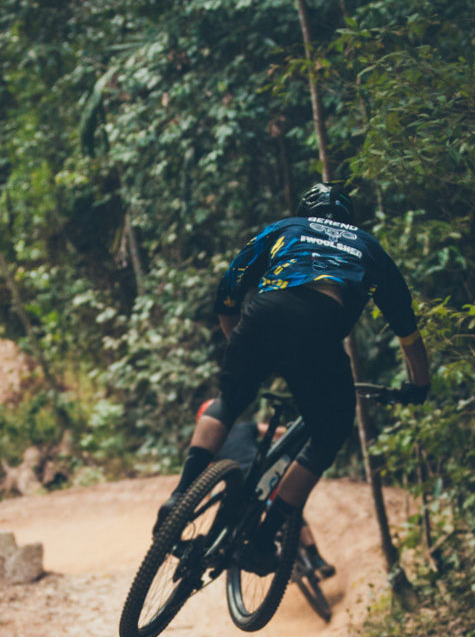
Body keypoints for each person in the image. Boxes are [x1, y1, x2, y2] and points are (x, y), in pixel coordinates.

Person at [160, 182, 430, 573]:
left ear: (306, 210)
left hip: (264, 314)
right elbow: (406, 327)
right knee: (328, 433)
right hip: (319, 331)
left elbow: (230, 289)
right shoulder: (367, 246)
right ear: (348, 219)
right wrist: (419, 383)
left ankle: (180, 496)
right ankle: (263, 537)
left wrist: (242, 344)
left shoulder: (286, 228)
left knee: (229, 400)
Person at [198, 397, 336, 579]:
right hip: (266, 474)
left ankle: (274, 559)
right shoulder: (244, 427)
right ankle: (316, 558)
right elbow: (277, 432)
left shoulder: (211, 443)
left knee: (248, 521)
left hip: (240, 486)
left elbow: (209, 475)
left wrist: (209, 497)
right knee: (288, 508)